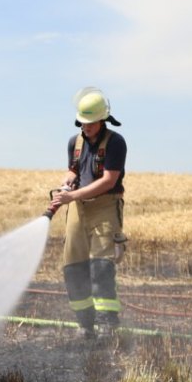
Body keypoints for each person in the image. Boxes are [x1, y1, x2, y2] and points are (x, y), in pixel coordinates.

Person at [49, 87, 127, 338]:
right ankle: (85, 324)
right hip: (77, 208)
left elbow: (108, 180)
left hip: (104, 206)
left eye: (90, 123)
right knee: (73, 267)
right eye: (82, 123)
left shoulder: (115, 142)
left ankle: (107, 325)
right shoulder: (75, 142)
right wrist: (66, 184)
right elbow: (73, 170)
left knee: (101, 268)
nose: (85, 128)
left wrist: (72, 195)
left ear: (102, 120)